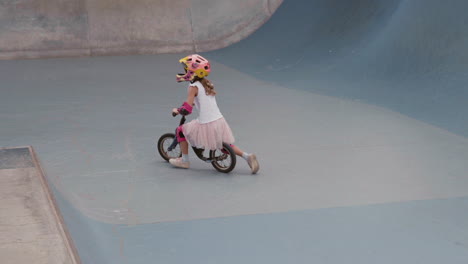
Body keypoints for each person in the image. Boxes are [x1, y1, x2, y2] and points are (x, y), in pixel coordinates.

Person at [169, 54, 259, 174]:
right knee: (223, 144)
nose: (184, 71)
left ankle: (184, 161)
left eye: (186, 68)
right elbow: (204, 100)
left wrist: (177, 110)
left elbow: (187, 110)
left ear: (192, 71)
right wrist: (195, 103)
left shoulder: (193, 87)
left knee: (181, 130)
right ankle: (247, 156)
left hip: (206, 123)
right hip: (219, 120)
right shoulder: (206, 83)